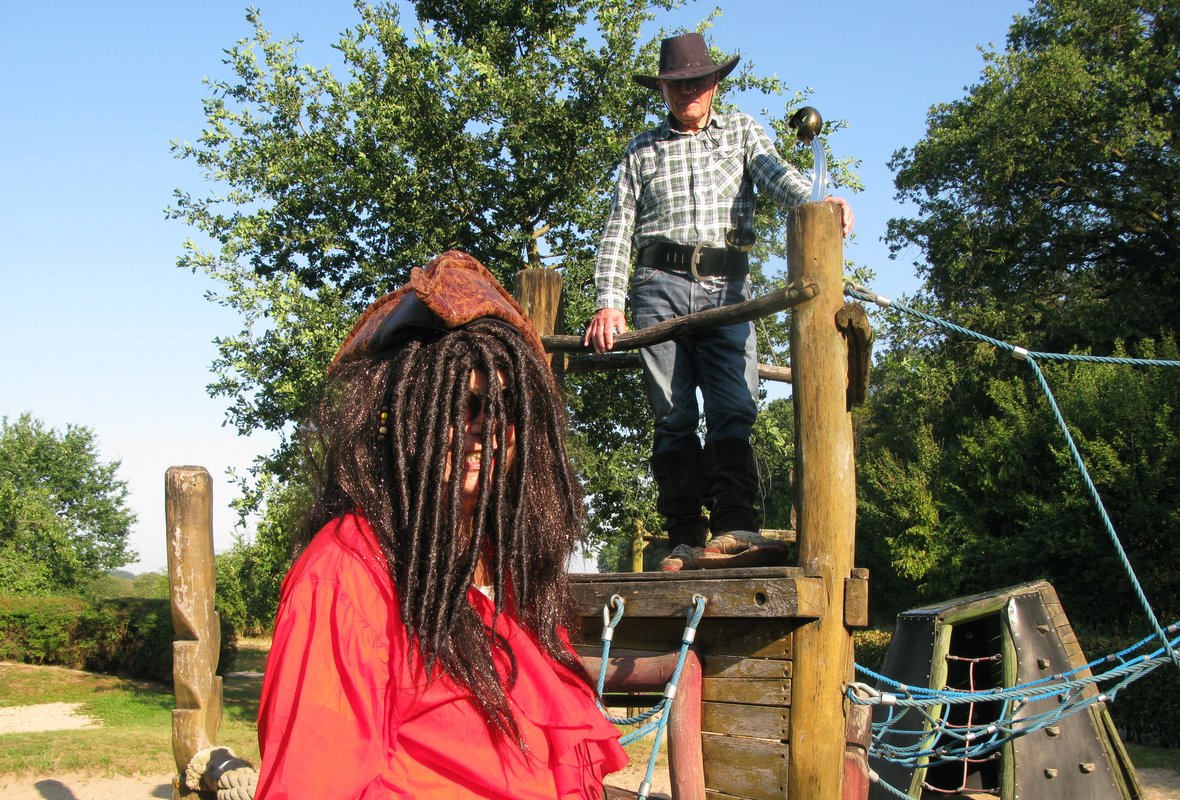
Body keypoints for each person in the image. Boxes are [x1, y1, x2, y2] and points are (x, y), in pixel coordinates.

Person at [256, 251, 628, 799]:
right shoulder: (348, 574)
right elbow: (311, 781)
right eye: (465, 406)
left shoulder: (512, 569)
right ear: (405, 415)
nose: (487, 429)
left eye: (507, 408)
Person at [584, 32, 855, 571]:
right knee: (673, 413)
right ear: (663, 88)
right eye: (676, 84)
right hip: (657, 286)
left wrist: (820, 201)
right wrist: (609, 302)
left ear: (713, 83)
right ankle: (684, 538)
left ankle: (735, 527)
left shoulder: (743, 132)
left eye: (695, 82)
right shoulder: (642, 150)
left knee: (734, 406)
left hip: (728, 291)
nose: (686, 92)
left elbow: (781, 180)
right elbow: (618, 230)